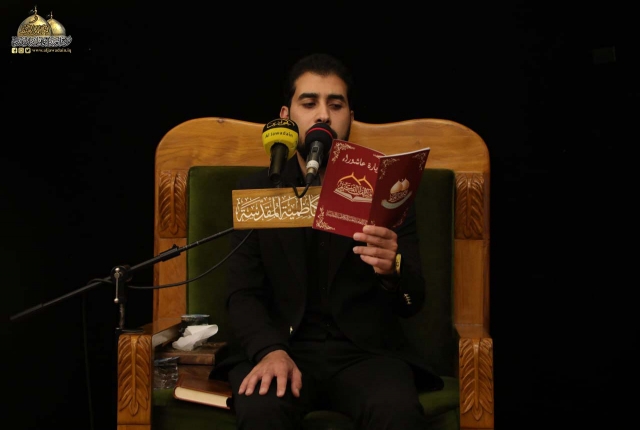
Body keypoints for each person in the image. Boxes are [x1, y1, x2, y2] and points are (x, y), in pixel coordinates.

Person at [211, 52, 443, 429]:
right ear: (286, 116)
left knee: (396, 412)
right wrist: (269, 351)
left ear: (350, 117)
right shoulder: (258, 190)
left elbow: (412, 301)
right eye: (309, 103)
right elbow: (242, 293)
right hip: (283, 347)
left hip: (364, 354)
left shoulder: (387, 189)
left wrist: (392, 270)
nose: (323, 115)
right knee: (261, 412)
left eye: (335, 105)